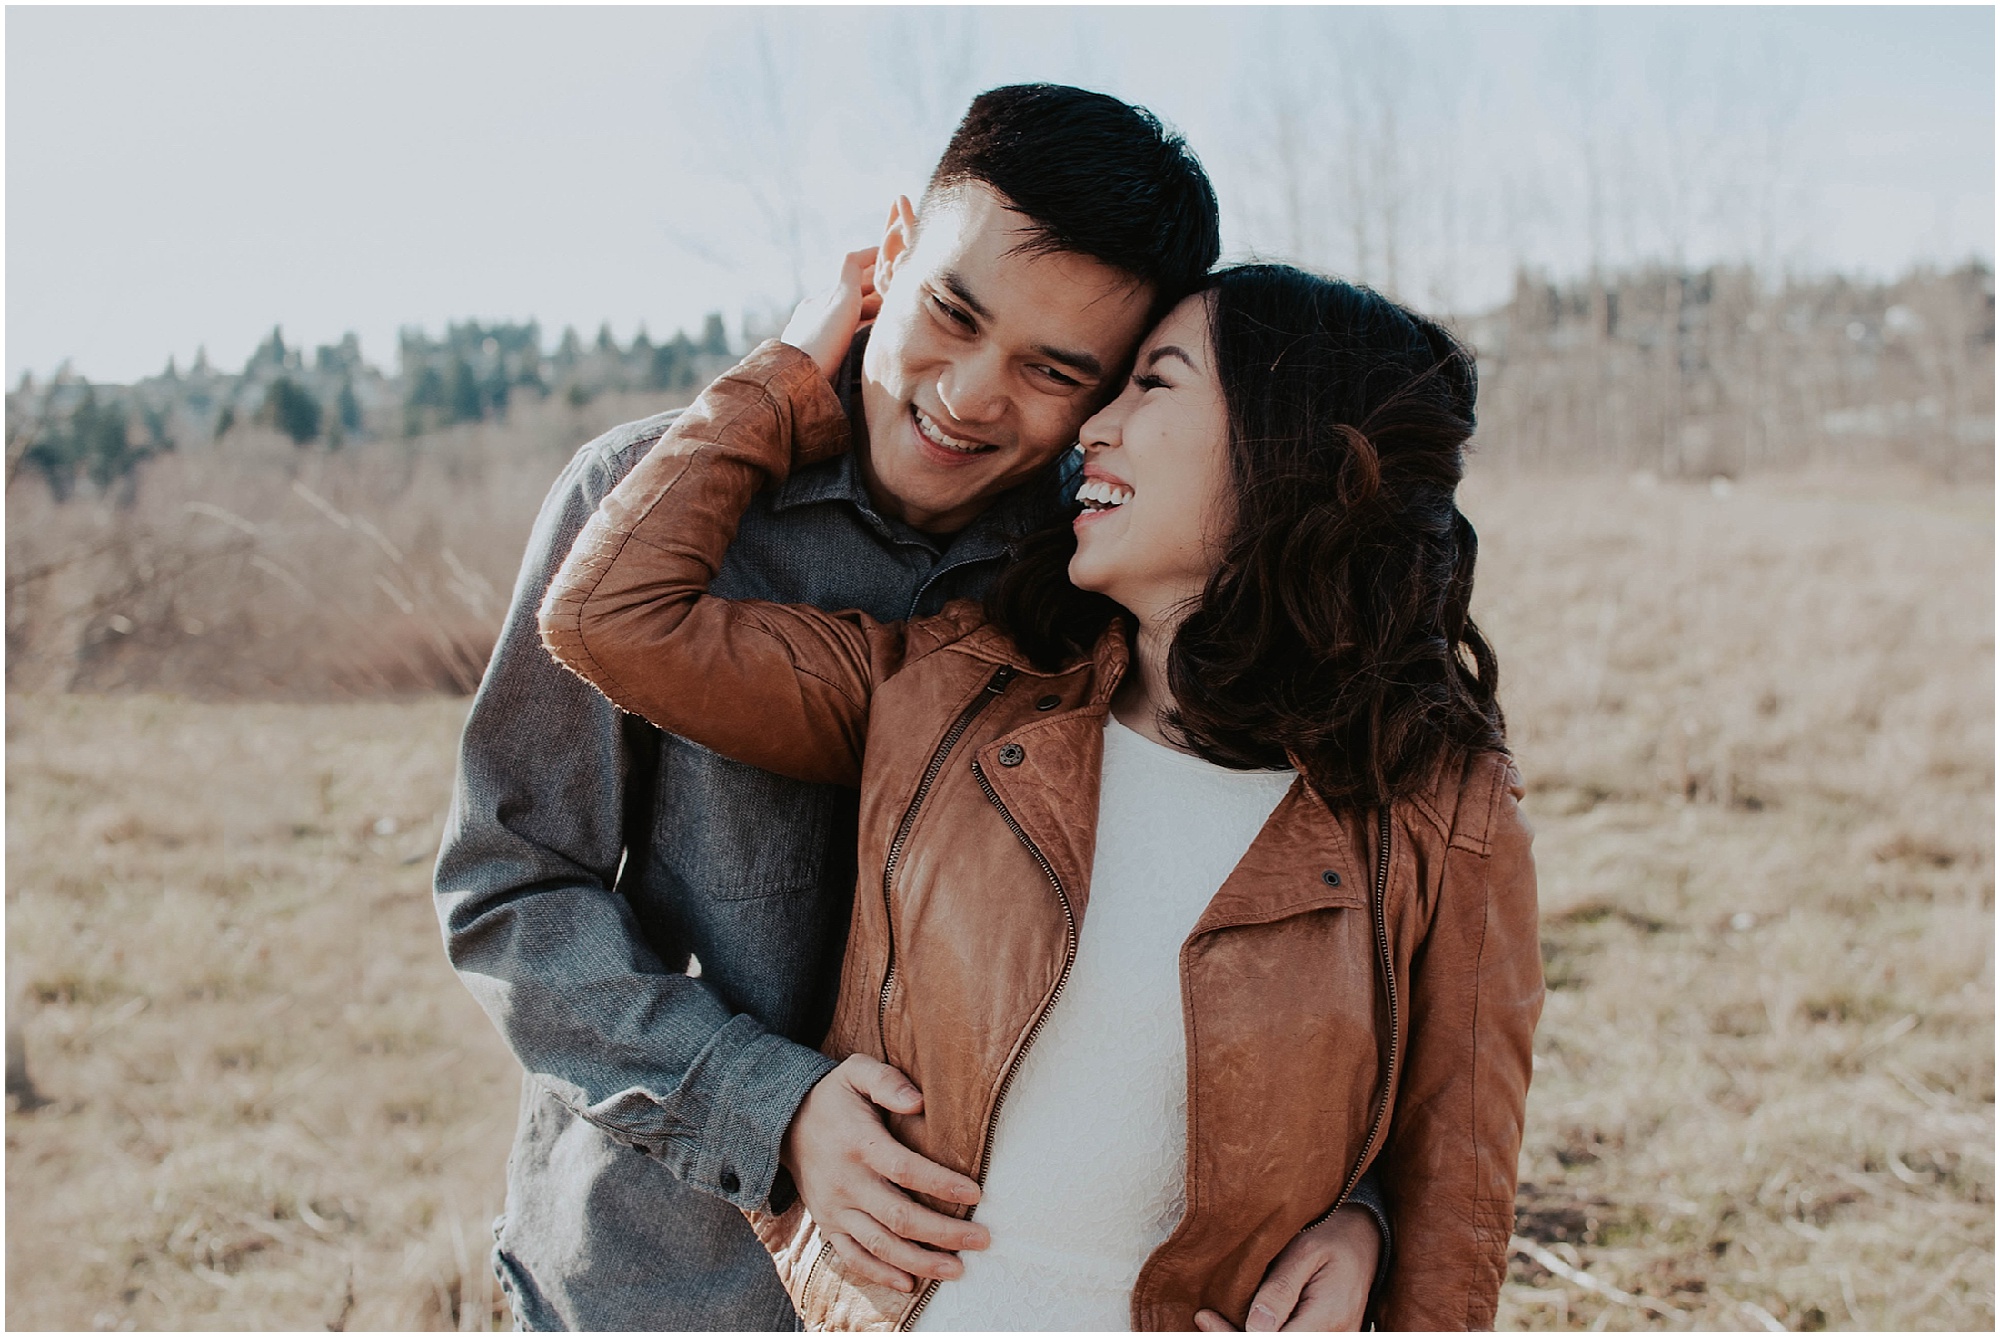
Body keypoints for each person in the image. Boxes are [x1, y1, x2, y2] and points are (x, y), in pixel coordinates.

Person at [437, 84, 1387, 1331]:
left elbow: (1275, 915)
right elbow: (510, 888)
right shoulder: (646, 505)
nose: (973, 395)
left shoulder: (1117, 565)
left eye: (1054, 370)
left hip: (995, 1294)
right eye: (950, 311)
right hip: (658, 1281)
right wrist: (759, 1100)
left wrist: (1353, 1202)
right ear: (890, 250)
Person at [536, 259, 1543, 1330]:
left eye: (1152, 383)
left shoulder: (1442, 809)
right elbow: (609, 618)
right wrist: (790, 377)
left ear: (1280, 442)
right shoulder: (949, 690)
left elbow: (1455, 1222)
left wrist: (1365, 1225)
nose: (1089, 429)